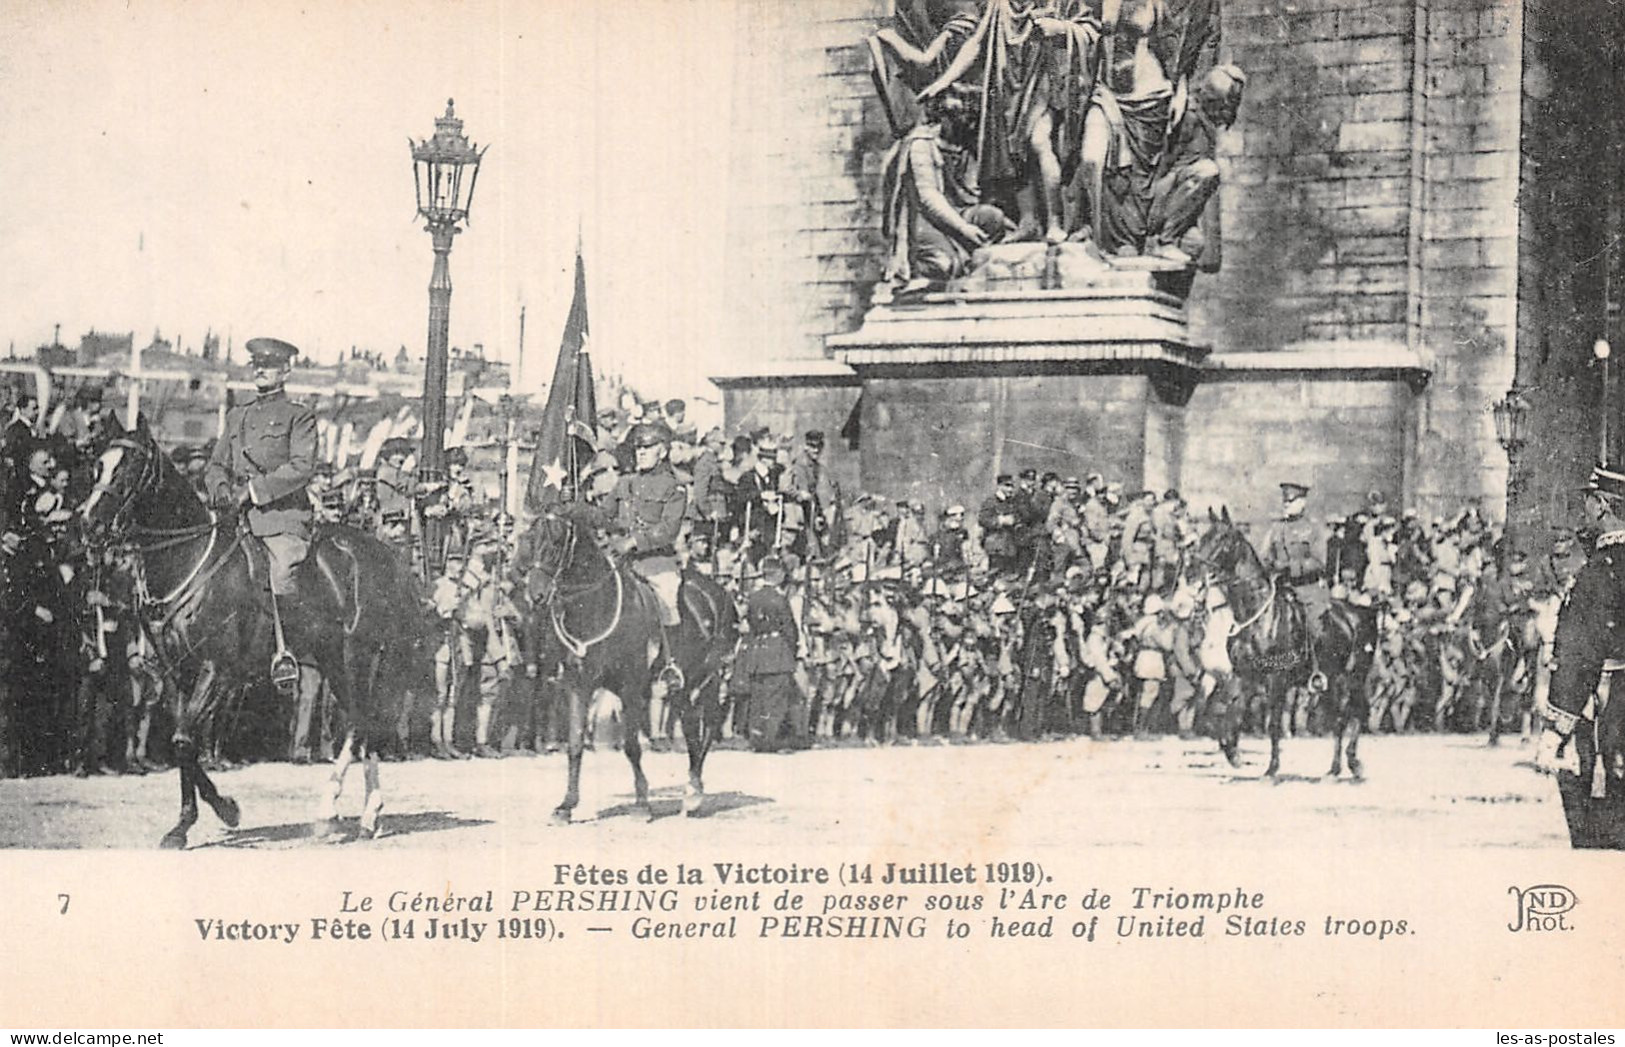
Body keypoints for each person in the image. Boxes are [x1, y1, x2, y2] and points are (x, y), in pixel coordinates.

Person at [203, 337, 318, 690]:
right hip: (236, 520)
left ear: (286, 370)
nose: (260, 370)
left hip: (279, 520)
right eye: (256, 364)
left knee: (282, 573)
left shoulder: (299, 416)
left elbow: (301, 467)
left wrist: (252, 492)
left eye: (268, 365)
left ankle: (288, 653)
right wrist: (222, 491)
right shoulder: (238, 415)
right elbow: (215, 465)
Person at [595, 422, 688, 642]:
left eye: (648, 447)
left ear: (662, 452)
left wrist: (633, 541)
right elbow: (604, 514)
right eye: (638, 448)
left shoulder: (673, 487)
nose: (642, 452)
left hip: (656, 564)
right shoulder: (625, 483)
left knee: (668, 606)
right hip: (620, 561)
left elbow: (668, 529)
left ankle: (669, 663)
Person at [738, 556, 806, 752]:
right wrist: (792, 651)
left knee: (758, 697)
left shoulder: (754, 597)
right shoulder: (779, 599)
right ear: (777, 574)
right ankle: (770, 740)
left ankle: (756, 738)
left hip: (758, 650)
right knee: (775, 698)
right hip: (777, 651)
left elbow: (751, 623)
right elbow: (790, 629)